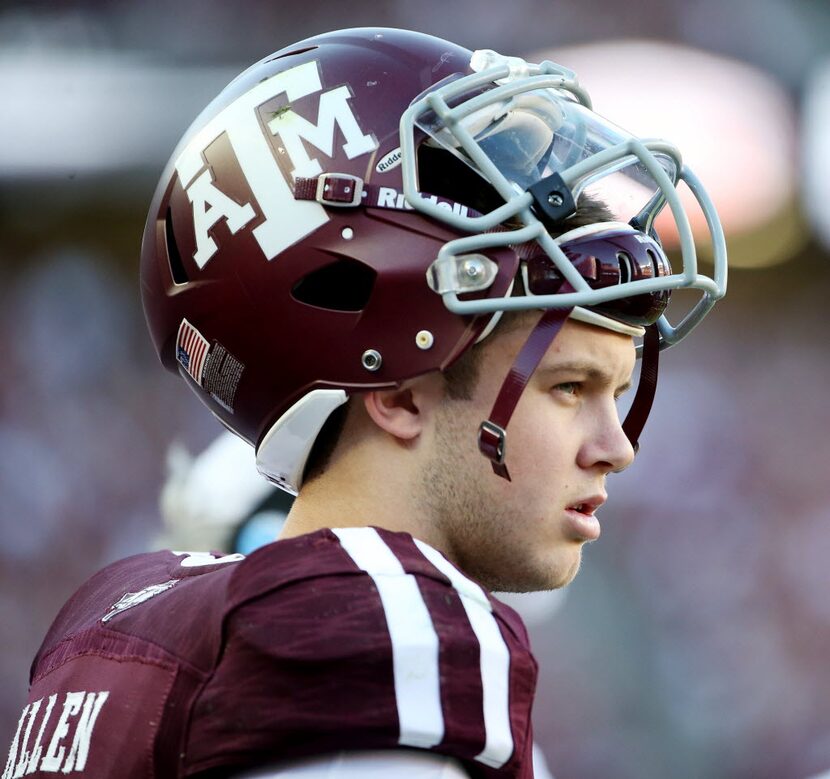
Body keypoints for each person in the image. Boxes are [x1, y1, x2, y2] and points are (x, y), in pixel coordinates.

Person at [4, 27, 726, 779]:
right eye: (568, 387)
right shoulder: (378, 630)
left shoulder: (116, 621)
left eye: (617, 390)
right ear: (400, 394)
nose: (617, 445)